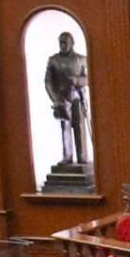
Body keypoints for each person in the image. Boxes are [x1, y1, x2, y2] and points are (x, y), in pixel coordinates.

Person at [44, 31, 89, 164]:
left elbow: (89, 78)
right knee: (65, 127)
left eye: (65, 42)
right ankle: (67, 156)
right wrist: (55, 99)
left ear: (72, 43)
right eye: (61, 43)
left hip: (77, 98)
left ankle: (82, 156)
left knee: (79, 126)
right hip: (62, 99)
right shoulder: (54, 60)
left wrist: (77, 80)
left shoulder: (81, 59)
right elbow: (48, 82)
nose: (63, 45)